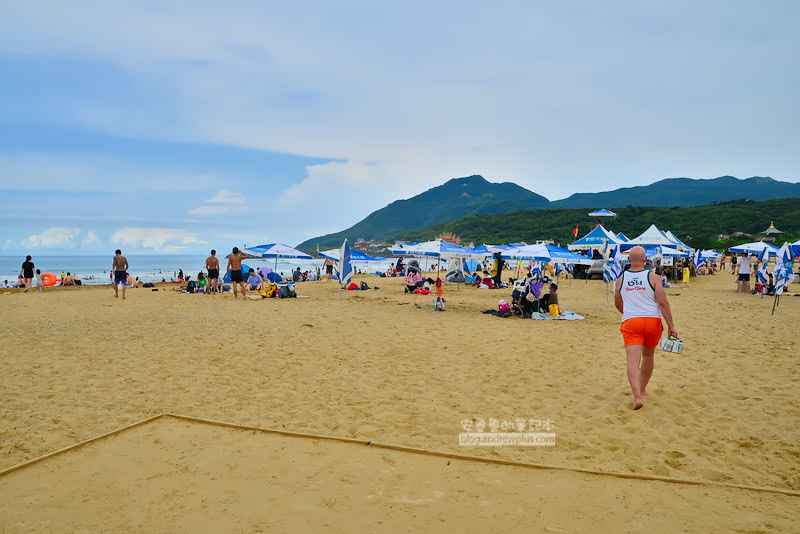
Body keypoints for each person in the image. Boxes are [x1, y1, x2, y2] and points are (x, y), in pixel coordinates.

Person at [614, 246, 678, 411]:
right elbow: (663, 303)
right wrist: (671, 326)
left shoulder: (620, 280)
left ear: (629, 260)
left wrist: (630, 313)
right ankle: (642, 389)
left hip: (631, 322)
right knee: (648, 356)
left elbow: (618, 303)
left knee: (632, 361)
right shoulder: (653, 277)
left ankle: (637, 396)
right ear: (645, 259)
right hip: (651, 321)